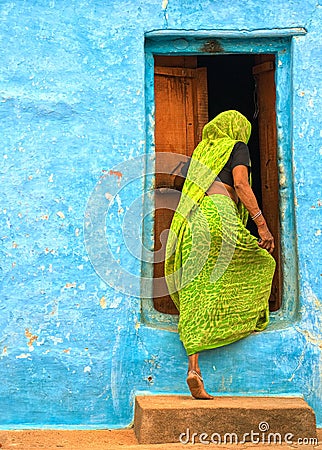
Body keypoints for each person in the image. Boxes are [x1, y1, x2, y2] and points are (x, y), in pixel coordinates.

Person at [165, 110, 276, 400]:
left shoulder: (202, 151)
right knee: (263, 262)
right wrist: (262, 225)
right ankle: (242, 318)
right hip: (220, 214)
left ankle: (194, 369)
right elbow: (240, 185)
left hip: (193, 220)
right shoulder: (236, 147)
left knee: (196, 288)